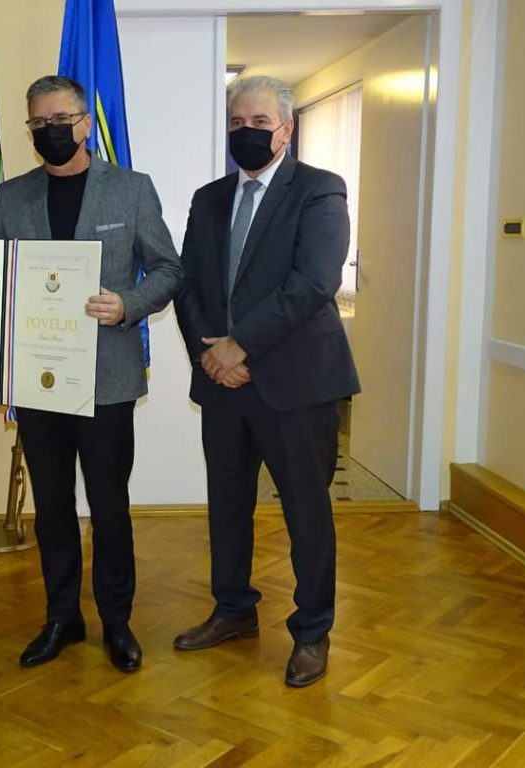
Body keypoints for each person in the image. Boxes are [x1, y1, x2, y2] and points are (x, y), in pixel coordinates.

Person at [0, 75, 182, 673]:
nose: (50, 131)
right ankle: (62, 617)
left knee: (108, 506)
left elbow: (169, 269)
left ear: (84, 123)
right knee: (51, 508)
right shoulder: (11, 196)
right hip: (38, 380)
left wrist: (128, 304)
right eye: (38, 123)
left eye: (60, 120)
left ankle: (117, 622)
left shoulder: (130, 189)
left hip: (107, 380)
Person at [173, 75, 360, 688]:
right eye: (237, 123)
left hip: (297, 383)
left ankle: (312, 631)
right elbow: (188, 283)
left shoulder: (320, 189)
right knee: (228, 505)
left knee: (306, 511)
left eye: (259, 122)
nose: (246, 132)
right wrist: (212, 356)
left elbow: (313, 282)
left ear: (286, 129)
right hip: (222, 382)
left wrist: (241, 344)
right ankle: (233, 610)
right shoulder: (208, 198)